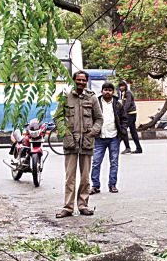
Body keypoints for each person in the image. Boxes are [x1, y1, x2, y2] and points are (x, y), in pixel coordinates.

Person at [54, 71, 103, 218]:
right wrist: (66, 133)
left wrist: (91, 133)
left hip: (87, 143)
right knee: (70, 178)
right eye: (78, 80)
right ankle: (68, 208)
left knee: (85, 178)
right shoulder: (65, 97)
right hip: (70, 143)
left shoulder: (92, 98)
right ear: (74, 80)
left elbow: (99, 119)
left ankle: (83, 205)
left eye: (83, 80)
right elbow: (58, 118)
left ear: (86, 81)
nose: (81, 82)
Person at [90, 82, 127, 194]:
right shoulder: (96, 103)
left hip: (114, 137)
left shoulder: (118, 104)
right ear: (102, 91)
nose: (107, 92)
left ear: (113, 92)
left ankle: (112, 185)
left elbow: (124, 119)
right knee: (96, 162)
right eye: (105, 89)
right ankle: (95, 186)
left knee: (114, 162)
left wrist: (123, 131)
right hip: (99, 137)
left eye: (110, 90)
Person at [118, 81, 142, 154]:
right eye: (120, 86)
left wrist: (123, 113)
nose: (121, 87)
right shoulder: (123, 93)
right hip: (130, 114)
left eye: (123, 86)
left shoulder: (128, 93)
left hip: (130, 114)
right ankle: (139, 148)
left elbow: (127, 104)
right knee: (133, 131)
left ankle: (127, 147)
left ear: (125, 86)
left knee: (123, 130)